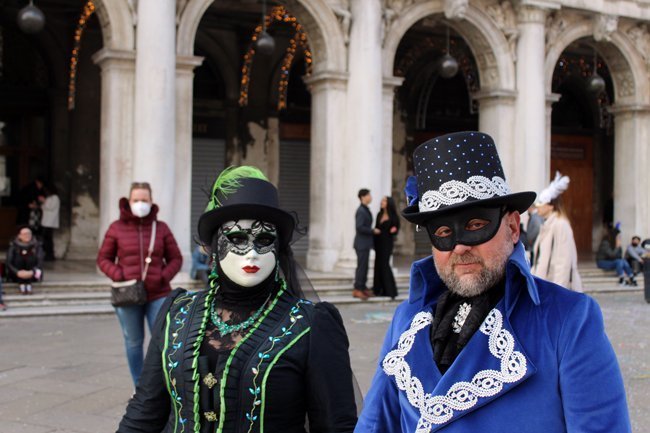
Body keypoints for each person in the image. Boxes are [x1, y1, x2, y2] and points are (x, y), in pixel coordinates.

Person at [356, 131, 630, 433]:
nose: (460, 247)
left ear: (513, 227)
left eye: (475, 225)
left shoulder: (568, 322)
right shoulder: (406, 321)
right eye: (444, 233)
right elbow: (373, 425)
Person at [117, 166, 358, 433]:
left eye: (265, 239)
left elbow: (337, 425)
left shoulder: (310, 325)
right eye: (236, 238)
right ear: (212, 247)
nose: (252, 252)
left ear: (279, 249)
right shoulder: (177, 312)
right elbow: (144, 411)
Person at [97, 181, 183, 386]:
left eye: (144, 200)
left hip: (158, 293)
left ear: (151, 201)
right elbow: (103, 259)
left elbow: (176, 259)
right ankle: (140, 386)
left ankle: (161, 385)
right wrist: (119, 275)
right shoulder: (116, 228)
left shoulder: (161, 228)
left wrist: (163, 277)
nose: (140, 204)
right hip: (128, 293)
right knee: (134, 342)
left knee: (162, 342)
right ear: (129, 201)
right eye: (136, 200)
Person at [530, 172, 582, 291]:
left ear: (550, 206)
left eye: (541, 203)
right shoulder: (548, 224)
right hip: (545, 285)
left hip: (553, 286)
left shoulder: (560, 224)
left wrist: (559, 291)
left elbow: (563, 261)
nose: (537, 206)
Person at [372, 196, 400, 299]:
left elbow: (396, 228)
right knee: (378, 265)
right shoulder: (379, 214)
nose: (381, 202)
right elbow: (376, 227)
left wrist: (394, 229)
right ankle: (378, 290)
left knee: (384, 264)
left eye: (384, 200)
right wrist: (375, 231)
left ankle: (390, 290)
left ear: (388, 203)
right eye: (382, 200)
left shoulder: (393, 216)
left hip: (387, 243)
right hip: (378, 242)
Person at [353, 188, 378, 300]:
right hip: (361, 244)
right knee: (361, 267)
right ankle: (357, 289)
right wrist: (372, 230)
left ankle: (362, 287)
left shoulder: (365, 209)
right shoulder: (361, 210)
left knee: (365, 267)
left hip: (365, 244)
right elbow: (359, 227)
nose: (370, 197)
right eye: (369, 195)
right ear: (363, 197)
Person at [6, 226, 44, 295]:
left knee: (30, 258)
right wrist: (17, 272)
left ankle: (28, 285)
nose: (27, 236)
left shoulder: (37, 245)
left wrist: (32, 272)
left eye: (29, 234)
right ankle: (22, 285)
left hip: (32, 273)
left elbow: (40, 262)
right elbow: (9, 262)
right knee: (19, 258)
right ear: (19, 236)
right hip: (17, 274)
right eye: (24, 234)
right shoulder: (13, 246)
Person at [39, 184, 60, 261]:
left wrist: (44, 201)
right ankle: (46, 254)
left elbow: (50, 207)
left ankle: (50, 255)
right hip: (46, 221)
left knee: (48, 239)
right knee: (45, 239)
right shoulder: (49, 198)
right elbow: (43, 207)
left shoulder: (55, 198)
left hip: (50, 222)